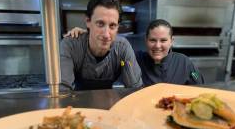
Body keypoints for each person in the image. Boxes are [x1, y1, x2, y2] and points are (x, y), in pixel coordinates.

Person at [65, 19, 204, 87]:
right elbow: (101, 69)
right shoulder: (132, 58)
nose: (157, 46)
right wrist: (89, 39)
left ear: (171, 41)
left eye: (163, 40)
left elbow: (200, 87)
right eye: (152, 40)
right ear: (145, 40)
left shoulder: (185, 62)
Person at [60, 0, 143, 90]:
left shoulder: (122, 47)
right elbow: (62, 91)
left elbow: (135, 89)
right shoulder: (70, 45)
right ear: (88, 21)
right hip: (76, 102)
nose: (106, 35)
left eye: (112, 25)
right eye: (100, 24)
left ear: (118, 27)